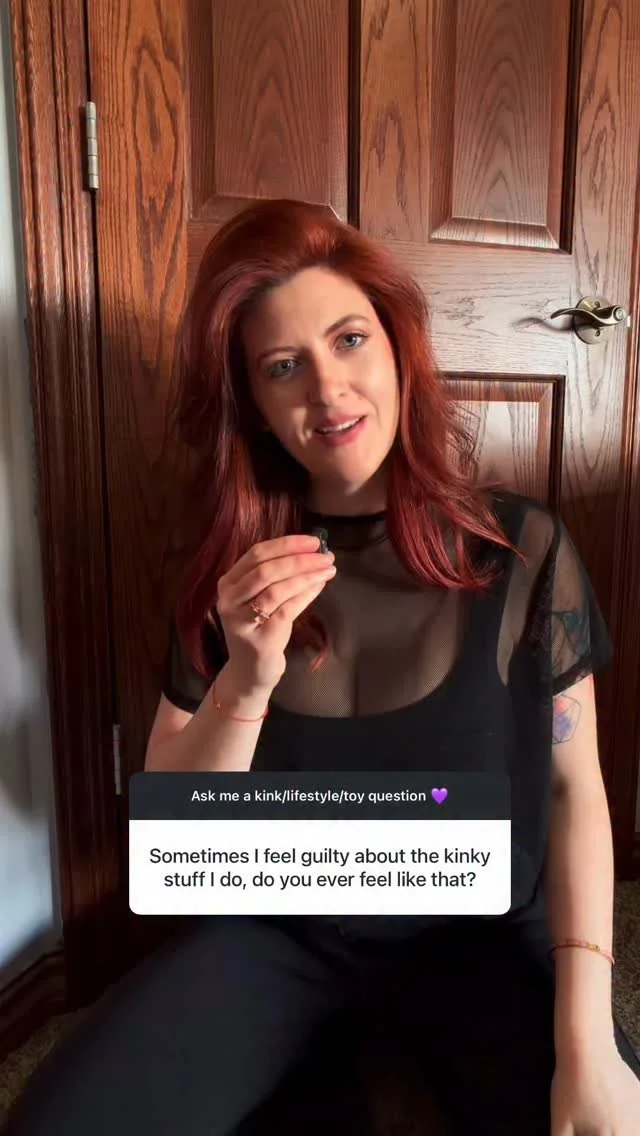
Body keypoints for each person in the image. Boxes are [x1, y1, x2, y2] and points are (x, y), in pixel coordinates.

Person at [4, 199, 640, 1136]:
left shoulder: (522, 547)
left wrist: (587, 1043)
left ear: (397, 349)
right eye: (283, 366)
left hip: (479, 933)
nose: (329, 390)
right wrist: (247, 676)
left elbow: (572, 790)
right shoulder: (233, 573)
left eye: (349, 339)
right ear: (255, 408)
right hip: (277, 933)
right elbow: (177, 833)